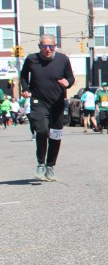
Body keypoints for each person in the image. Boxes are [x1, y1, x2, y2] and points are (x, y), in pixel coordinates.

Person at [19, 35, 75, 181]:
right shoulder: (31, 59)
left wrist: (67, 83)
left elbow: (71, 77)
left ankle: (50, 166)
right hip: (38, 101)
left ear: (55, 46)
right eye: (44, 46)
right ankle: (41, 164)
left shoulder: (63, 59)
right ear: (40, 46)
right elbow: (23, 76)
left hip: (57, 103)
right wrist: (25, 89)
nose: (48, 49)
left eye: (51, 46)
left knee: (55, 135)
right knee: (42, 130)